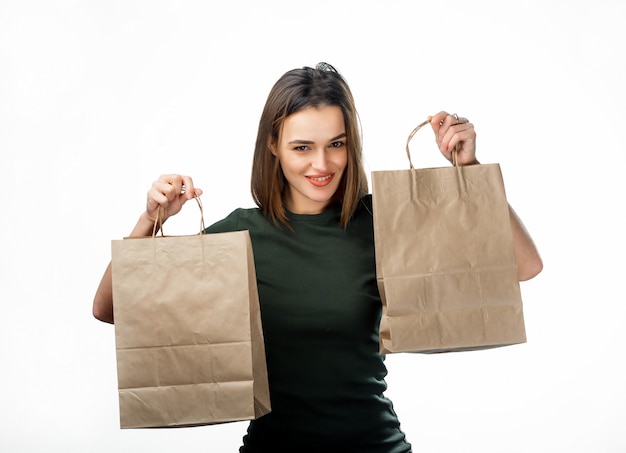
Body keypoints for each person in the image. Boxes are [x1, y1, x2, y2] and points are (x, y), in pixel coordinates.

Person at [93, 62, 543, 452]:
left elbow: (523, 267)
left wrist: (470, 170)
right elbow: (112, 308)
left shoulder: (385, 221)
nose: (322, 164)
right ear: (273, 146)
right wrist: (150, 219)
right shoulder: (241, 235)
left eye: (336, 143)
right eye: (302, 147)